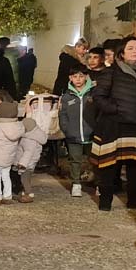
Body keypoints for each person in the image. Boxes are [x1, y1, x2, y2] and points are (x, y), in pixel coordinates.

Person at [90, 36, 136, 212]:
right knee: (108, 165)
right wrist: (115, 108)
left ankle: (134, 200)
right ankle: (105, 201)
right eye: (130, 48)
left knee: (134, 165)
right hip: (115, 124)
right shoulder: (111, 72)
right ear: (121, 52)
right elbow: (99, 96)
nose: (135, 51)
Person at [59, 65, 96, 197]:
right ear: (70, 78)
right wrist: (66, 129)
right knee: (75, 160)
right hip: (73, 135)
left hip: (92, 134)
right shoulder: (66, 97)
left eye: (81, 76)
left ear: (86, 77)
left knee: (95, 160)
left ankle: (97, 183)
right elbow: (62, 115)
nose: (78, 79)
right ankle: (76, 183)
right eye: (75, 76)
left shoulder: (93, 94)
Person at [14, 109, 48, 203]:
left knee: (25, 179)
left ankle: (28, 193)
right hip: (28, 163)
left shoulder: (30, 140)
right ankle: (24, 193)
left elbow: (28, 153)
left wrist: (22, 164)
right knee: (24, 178)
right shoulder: (34, 135)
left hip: (27, 164)